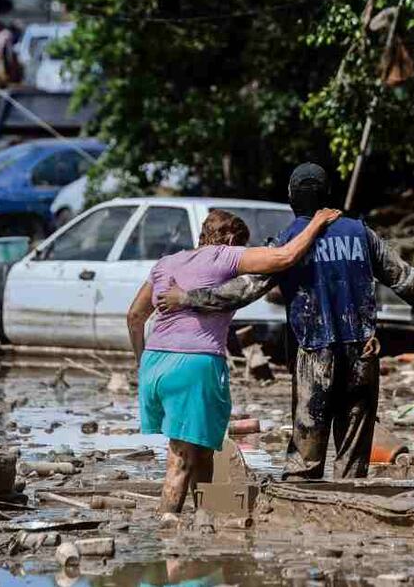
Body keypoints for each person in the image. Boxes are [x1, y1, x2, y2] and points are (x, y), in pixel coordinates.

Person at [157, 163, 414, 481]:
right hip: (363, 352)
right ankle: (351, 511)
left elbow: (243, 291)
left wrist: (187, 298)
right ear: (327, 195)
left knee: (305, 459)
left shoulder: (289, 241)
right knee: (353, 457)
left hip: (314, 354)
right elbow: (407, 280)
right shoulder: (360, 233)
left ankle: (303, 515)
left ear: (291, 198)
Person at [126, 207, 341, 515]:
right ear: (229, 238)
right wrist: (317, 223)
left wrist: (142, 363)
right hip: (194, 365)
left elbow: (135, 316)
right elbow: (283, 258)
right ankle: (167, 527)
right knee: (182, 456)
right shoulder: (224, 257)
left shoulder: (166, 262)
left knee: (202, 449)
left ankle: (208, 518)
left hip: (155, 364)